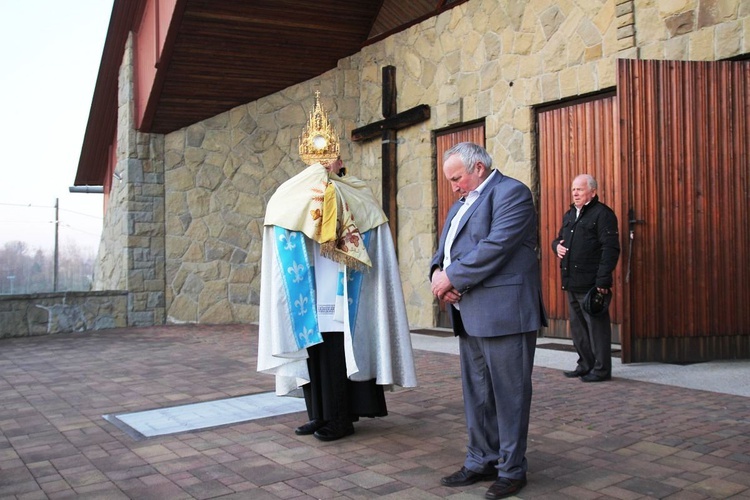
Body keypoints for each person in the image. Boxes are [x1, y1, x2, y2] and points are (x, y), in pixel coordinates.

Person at [257, 157, 417, 442]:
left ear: (340, 162)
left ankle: (341, 418)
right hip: (311, 282)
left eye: (329, 159)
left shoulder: (355, 191)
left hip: (343, 284)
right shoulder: (298, 193)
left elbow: (363, 223)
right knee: (313, 351)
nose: (324, 164)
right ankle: (319, 413)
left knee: (337, 354)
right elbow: (285, 213)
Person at [430, 142, 546, 499]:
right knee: (477, 394)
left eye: (457, 178)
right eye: (450, 180)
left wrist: (452, 278)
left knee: (509, 395)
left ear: (478, 167)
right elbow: (445, 248)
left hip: (505, 313)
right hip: (469, 313)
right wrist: (437, 272)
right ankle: (482, 459)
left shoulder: (511, 193)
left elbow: (497, 246)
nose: (454, 186)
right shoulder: (461, 204)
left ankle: (511, 470)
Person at [552, 174, 620, 382]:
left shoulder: (603, 214)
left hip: (591, 283)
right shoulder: (570, 213)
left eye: (579, 190)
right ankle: (585, 364)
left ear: (593, 192)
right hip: (571, 281)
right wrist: (557, 247)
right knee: (579, 328)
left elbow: (611, 249)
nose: (575, 193)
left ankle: (601, 370)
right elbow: (558, 238)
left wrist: (603, 281)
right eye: (573, 189)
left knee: (596, 328)